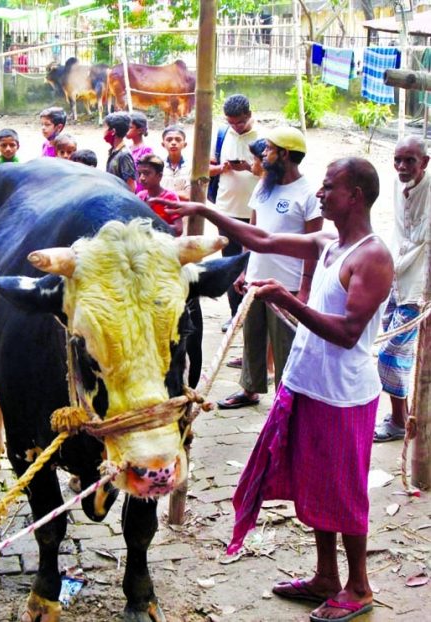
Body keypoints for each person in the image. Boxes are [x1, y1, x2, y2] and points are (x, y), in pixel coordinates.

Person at [154, 156, 392, 622]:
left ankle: (359, 586)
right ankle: (326, 577)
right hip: (307, 384)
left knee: (344, 492)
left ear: (355, 196)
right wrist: (199, 210)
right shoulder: (327, 242)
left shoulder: (373, 256)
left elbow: (346, 332)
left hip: (343, 395)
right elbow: (260, 237)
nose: (320, 195)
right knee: (318, 485)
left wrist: (283, 297)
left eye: (329, 188)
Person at [217, 127, 323, 410]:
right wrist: (242, 270)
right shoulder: (264, 186)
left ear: (285, 155)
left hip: (287, 283)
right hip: (255, 277)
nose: (264, 154)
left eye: (269, 149)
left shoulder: (308, 193)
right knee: (252, 336)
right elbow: (252, 231)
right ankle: (249, 389)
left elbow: (314, 245)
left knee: (285, 344)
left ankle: (285, 398)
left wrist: (305, 288)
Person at [375, 136, 430, 442]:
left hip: (420, 288)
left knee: (391, 356)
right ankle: (405, 416)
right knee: (396, 356)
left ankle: (399, 420)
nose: (401, 166)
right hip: (395, 277)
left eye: (409, 161)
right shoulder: (398, 184)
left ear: (425, 162)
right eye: (397, 160)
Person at [210, 94, 261, 329]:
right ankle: (235, 315)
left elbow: (274, 174)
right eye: (230, 122)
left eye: (239, 122)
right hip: (226, 210)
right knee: (231, 264)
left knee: (253, 265)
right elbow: (207, 167)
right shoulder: (221, 135)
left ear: (249, 115)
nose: (235, 127)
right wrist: (222, 167)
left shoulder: (263, 138)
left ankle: (251, 316)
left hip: (254, 212)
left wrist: (249, 167)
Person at [137, 154, 182, 236]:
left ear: (159, 176)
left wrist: (151, 226)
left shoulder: (170, 198)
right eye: (140, 173)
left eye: (146, 173)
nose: (142, 178)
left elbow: (179, 229)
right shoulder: (140, 197)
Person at [104, 112, 136, 191]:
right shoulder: (114, 151)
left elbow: (131, 186)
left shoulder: (124, 155)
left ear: (113, 131)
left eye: (105, 128)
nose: (104, 131)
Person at [160, 125, 191, 201]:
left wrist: (162, 193)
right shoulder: (158, 166)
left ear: (185, 144)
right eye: (169, 140)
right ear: (163, 144)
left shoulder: (191, 167)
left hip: (184, 211)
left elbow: (188, 196)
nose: (173, 143)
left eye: (178, 140)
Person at [128, 112, 153, 192]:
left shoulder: (146, 150)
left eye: (130, 127)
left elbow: (147, 173)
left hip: (139, 190)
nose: (126, 130)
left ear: (139, 130)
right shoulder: (127, 149)